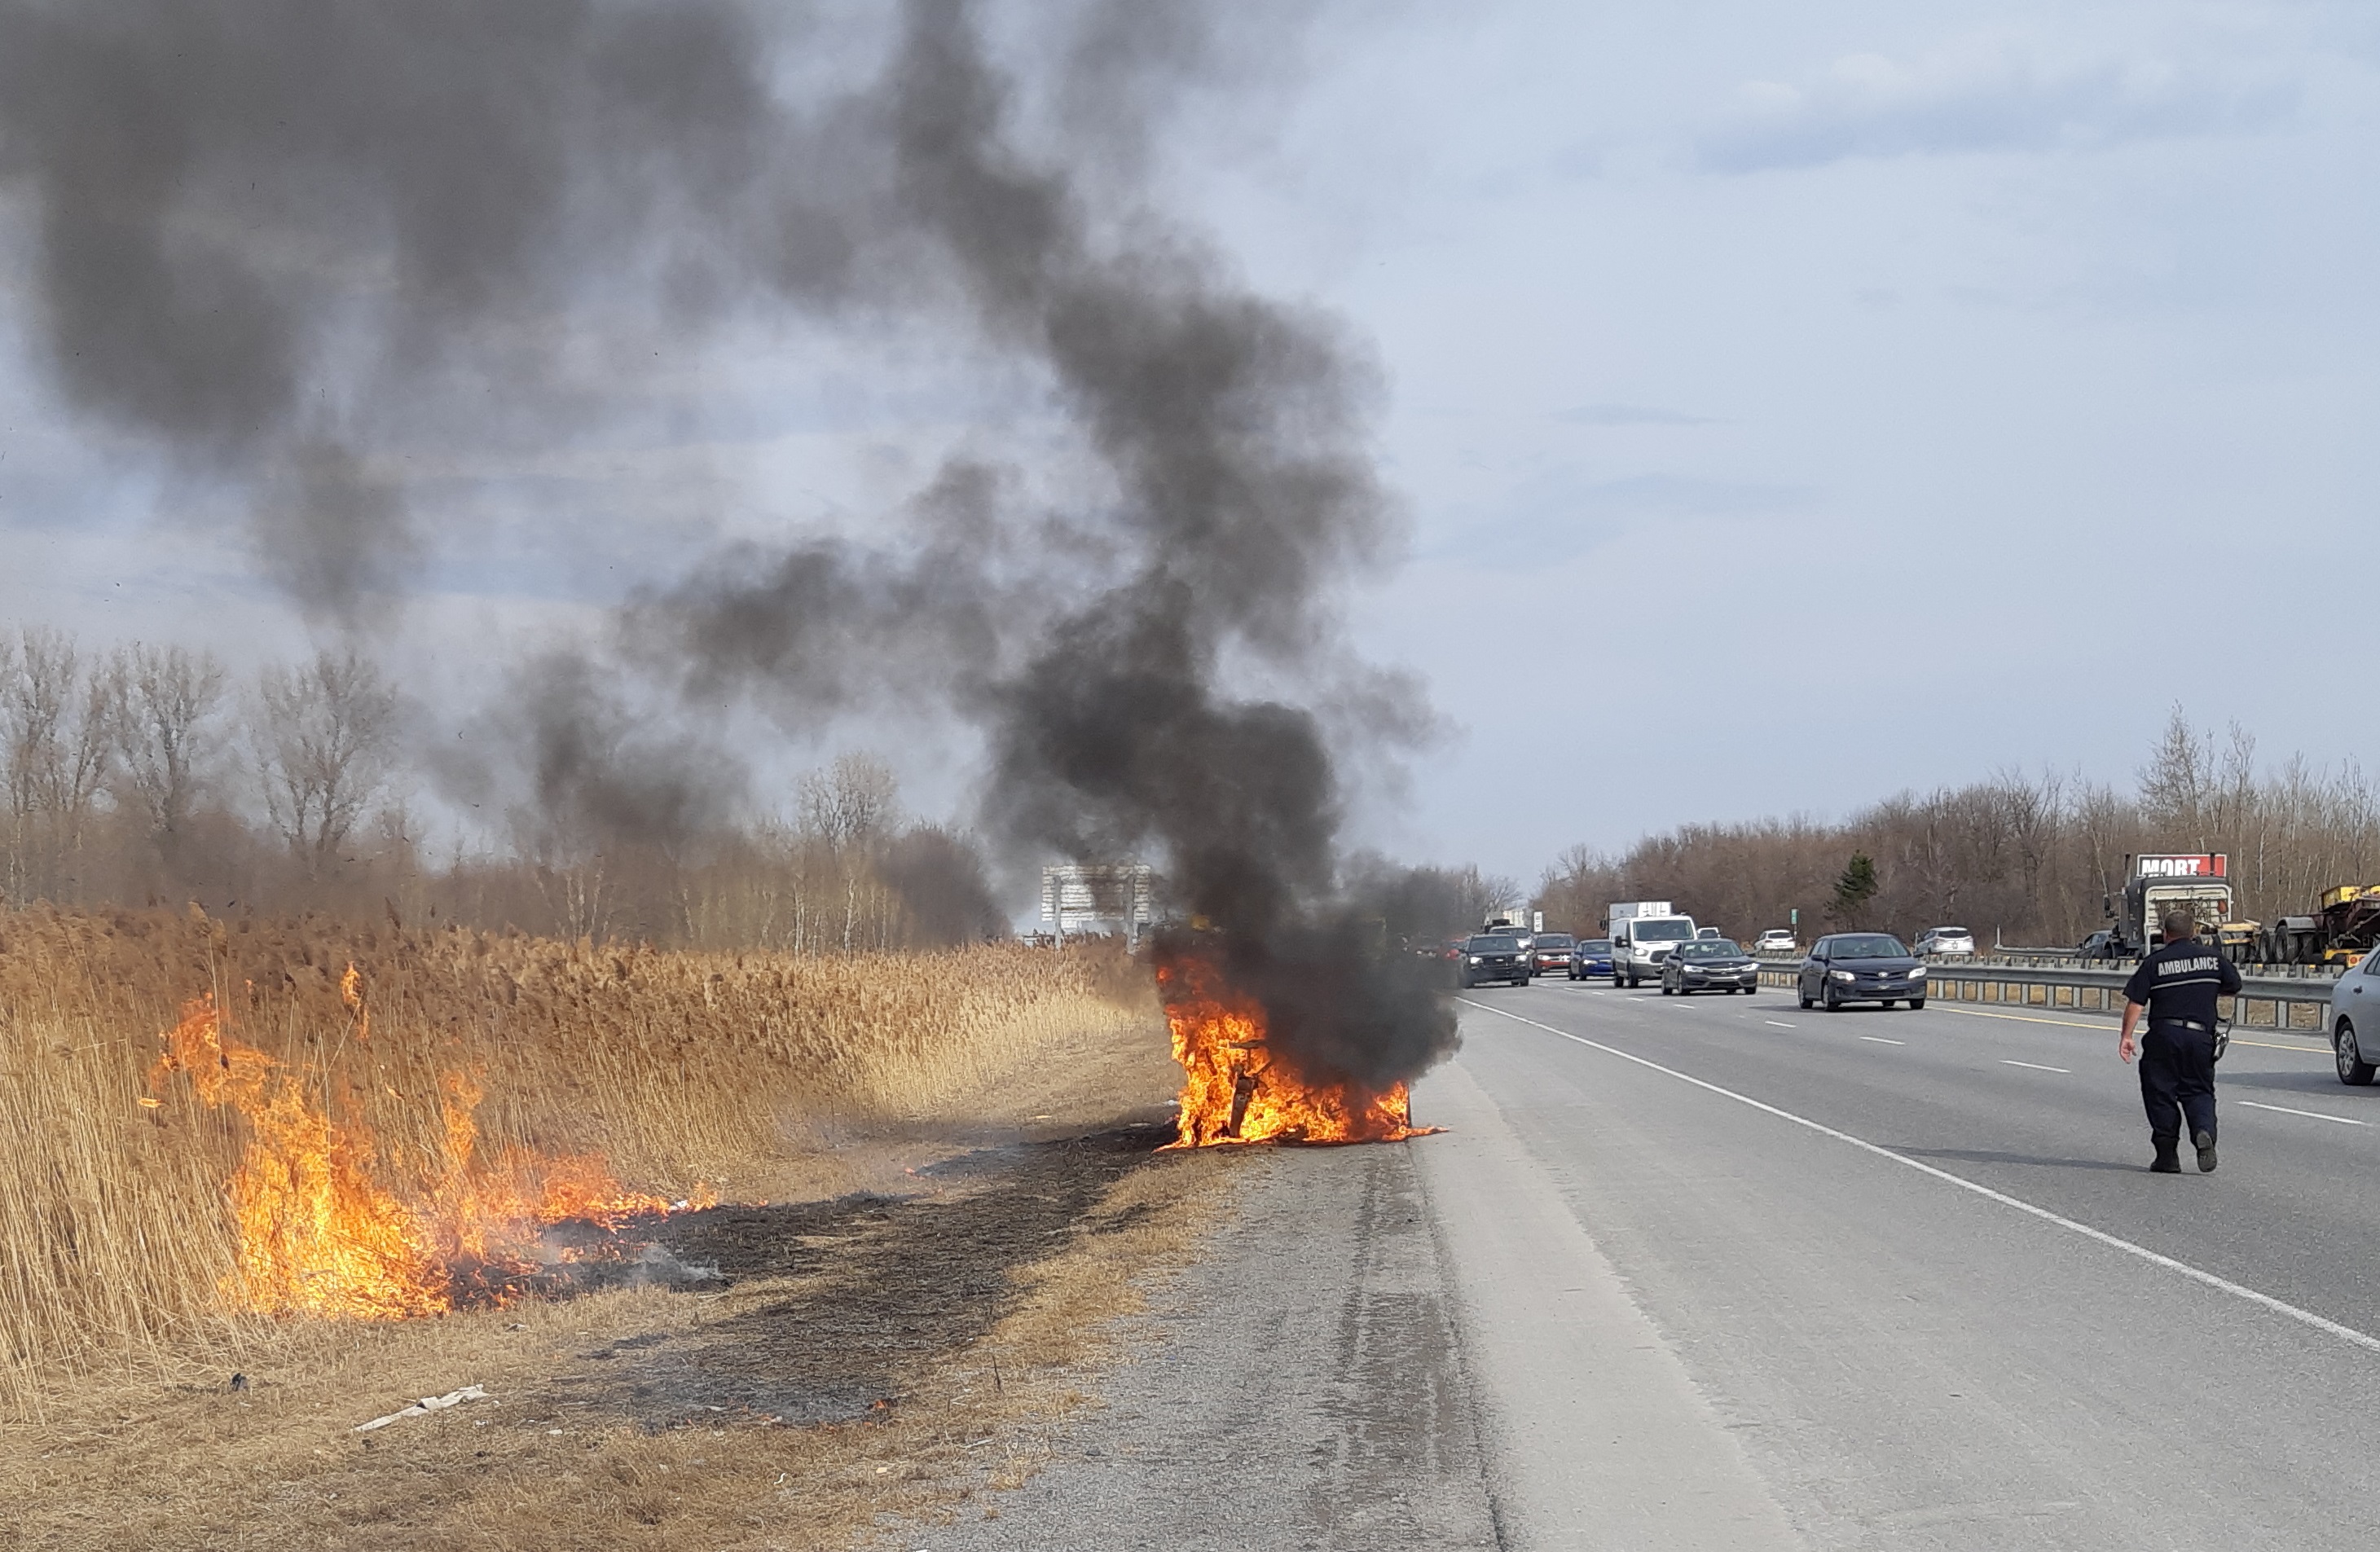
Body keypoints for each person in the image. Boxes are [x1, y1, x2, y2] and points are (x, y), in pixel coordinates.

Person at [2118, 908, 2242, 1173]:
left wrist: (2127, 1037)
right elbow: (2234, 985)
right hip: (2200, 1037)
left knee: (2160, 1092)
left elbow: (2136, 1003)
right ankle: (2203, 1131)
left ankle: (2167, 1156)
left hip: (2164, 1035)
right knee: (2199, 1091)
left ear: (2166, 934)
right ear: (2194, 932)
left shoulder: (2155, 962)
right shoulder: (2213, 959)